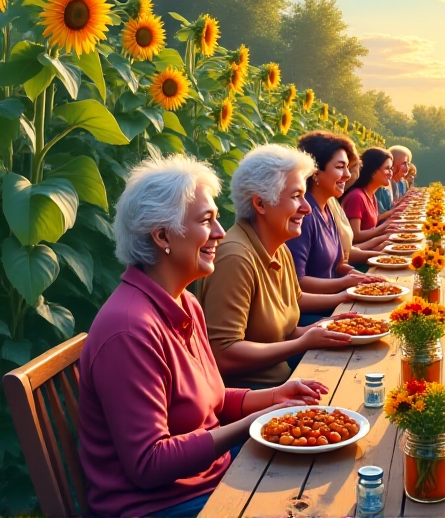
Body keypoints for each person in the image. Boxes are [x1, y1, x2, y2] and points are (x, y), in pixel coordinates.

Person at [78, 155, 328, 517]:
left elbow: (212, 401)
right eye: (206, 220)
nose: (220, 232)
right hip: (163, 506)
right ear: (162, 236)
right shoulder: (129, 331)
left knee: (322, 472)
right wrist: (254, 423)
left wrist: (275, 397)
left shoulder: (185, 302)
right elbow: (149, 464)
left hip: (210, 478)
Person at [199, 144, 355, 387]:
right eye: (296, 196)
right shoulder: (235, 258)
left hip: (284, 381)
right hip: (257, 396)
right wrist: (303, 343)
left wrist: (325, 328)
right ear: (260, 203)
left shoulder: (279, 248)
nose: (306, 207)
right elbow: (224, 354)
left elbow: (286, 332)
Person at [287, 131, 385, 293]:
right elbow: (297, 282)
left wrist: (364, 278)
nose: (347, 175)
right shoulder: (303, 214)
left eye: (347, 167)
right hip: (320, 306)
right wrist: (344, 284)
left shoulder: (327, 207)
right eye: (340, 167)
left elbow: (338, 265)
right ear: (315, 173)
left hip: (337, 299)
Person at [341, 147, 398, 244]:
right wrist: (382, 228)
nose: (391, 173)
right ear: (373, 172)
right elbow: (355, 236)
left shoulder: (371, 195)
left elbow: (370, 223)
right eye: (387, 168)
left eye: (391, 169)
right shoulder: (357, 196)